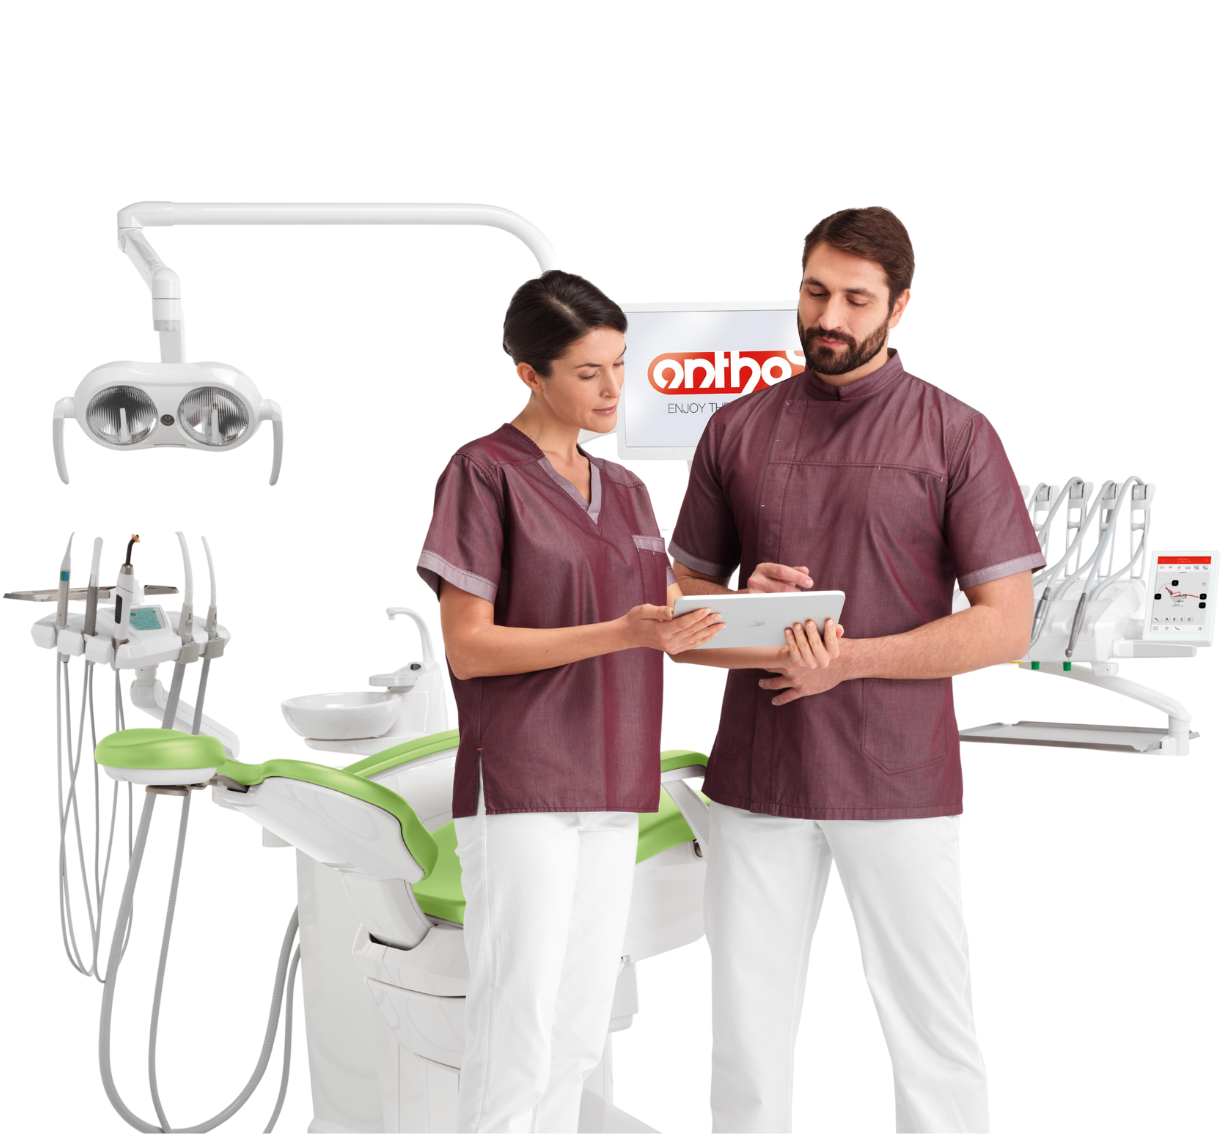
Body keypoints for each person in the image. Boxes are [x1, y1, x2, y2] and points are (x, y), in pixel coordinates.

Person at [416, 271, 823, 1134]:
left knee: (577, 1026)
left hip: (613, 778)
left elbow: (670, 618)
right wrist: (622, 635)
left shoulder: (625, 489)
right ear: (531, 376)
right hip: (524, 779)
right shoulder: (481, 475)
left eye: (620, 366)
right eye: (589, 372)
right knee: (516, 1018)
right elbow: (470, 645)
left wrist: (769, 602)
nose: (613, 390)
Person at [667, 207, 1045, 1134]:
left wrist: (852, 663)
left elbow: (1006, 627)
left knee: (931, 1027)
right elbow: (680, 609)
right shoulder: (737, 428)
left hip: (898, 775)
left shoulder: (955, 433)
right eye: (813, 291)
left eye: (854, 299)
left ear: (900, 309)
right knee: (743, 1030)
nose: (827, 316)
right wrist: (747, 596)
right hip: (760, 769)